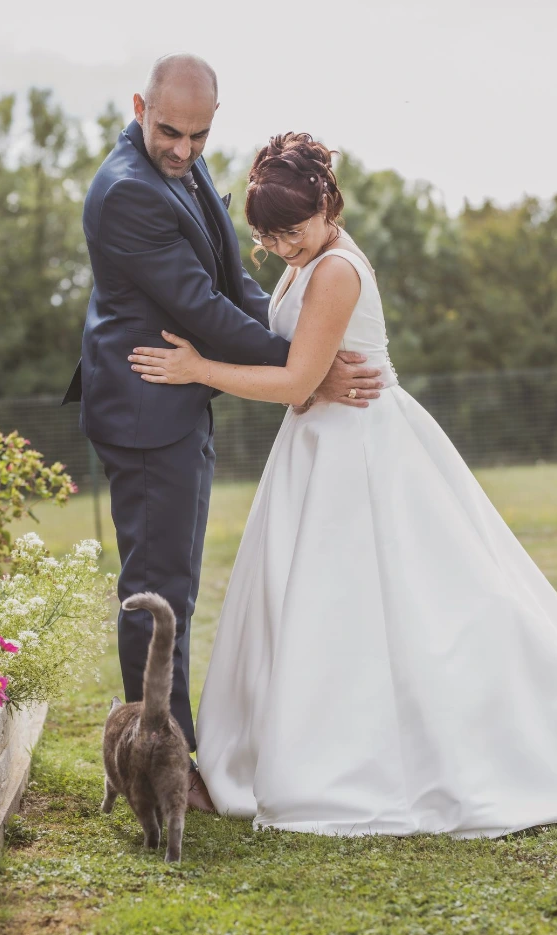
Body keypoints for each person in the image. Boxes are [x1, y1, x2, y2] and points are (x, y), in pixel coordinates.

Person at [127, 132, 557, 837]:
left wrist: (196, 369)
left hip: (362, 448)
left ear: (326, 204)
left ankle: (362, 761)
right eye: (267, 236)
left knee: (377, 605)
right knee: (305, 605)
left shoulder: (334, 270)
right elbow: (303, 371)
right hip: (315, 445)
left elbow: (298, 380)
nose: (280, 247)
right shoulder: (307, 258)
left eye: (292, 231)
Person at [62, 58, 382, 811]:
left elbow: (232, 277)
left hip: (177, 400)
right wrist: (310, 371)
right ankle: (159, 767)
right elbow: (201, 308)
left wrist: (304, 355)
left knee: (173, 581)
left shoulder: (188, 169)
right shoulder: (126, 193)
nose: (183, 148)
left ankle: (171, 753)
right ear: (140, 106)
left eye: (199, 134)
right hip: (146, 409)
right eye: (169, 130)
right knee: (157, 589)